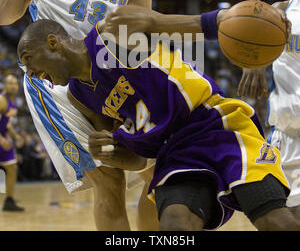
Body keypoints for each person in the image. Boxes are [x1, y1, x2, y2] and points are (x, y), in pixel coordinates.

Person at [17, 18, 300, 231]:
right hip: (174, 152)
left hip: (214, 124)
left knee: (276, 221)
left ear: (53, 42)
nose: (31, 73)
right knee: (174, 227)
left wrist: (242, 37)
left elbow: (178, 24)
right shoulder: (79, 97)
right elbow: (136, 159)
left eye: (29, 60)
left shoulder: (110, 36)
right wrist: (107, 151)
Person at [0, 0, 157, 230]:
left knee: (156, 172)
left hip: (109, 84)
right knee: (109, 180)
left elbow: (141, 50)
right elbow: (5, 15)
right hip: (55, 85)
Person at [237, 0, 300, 217]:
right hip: (289, 137)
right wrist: (254, 61)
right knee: (287, 220)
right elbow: (261, 19)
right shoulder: (286, 9)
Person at [0, 74, 24, 211]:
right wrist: (1, 139)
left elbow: (6, 123)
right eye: (10, 83)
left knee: (12, 168)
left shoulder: (13, 101)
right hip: (1, 138)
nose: (13, 86)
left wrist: (16, 136)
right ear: (4, 84)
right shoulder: (2, 100)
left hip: (3, 136)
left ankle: (9, 201)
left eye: (15, 83)